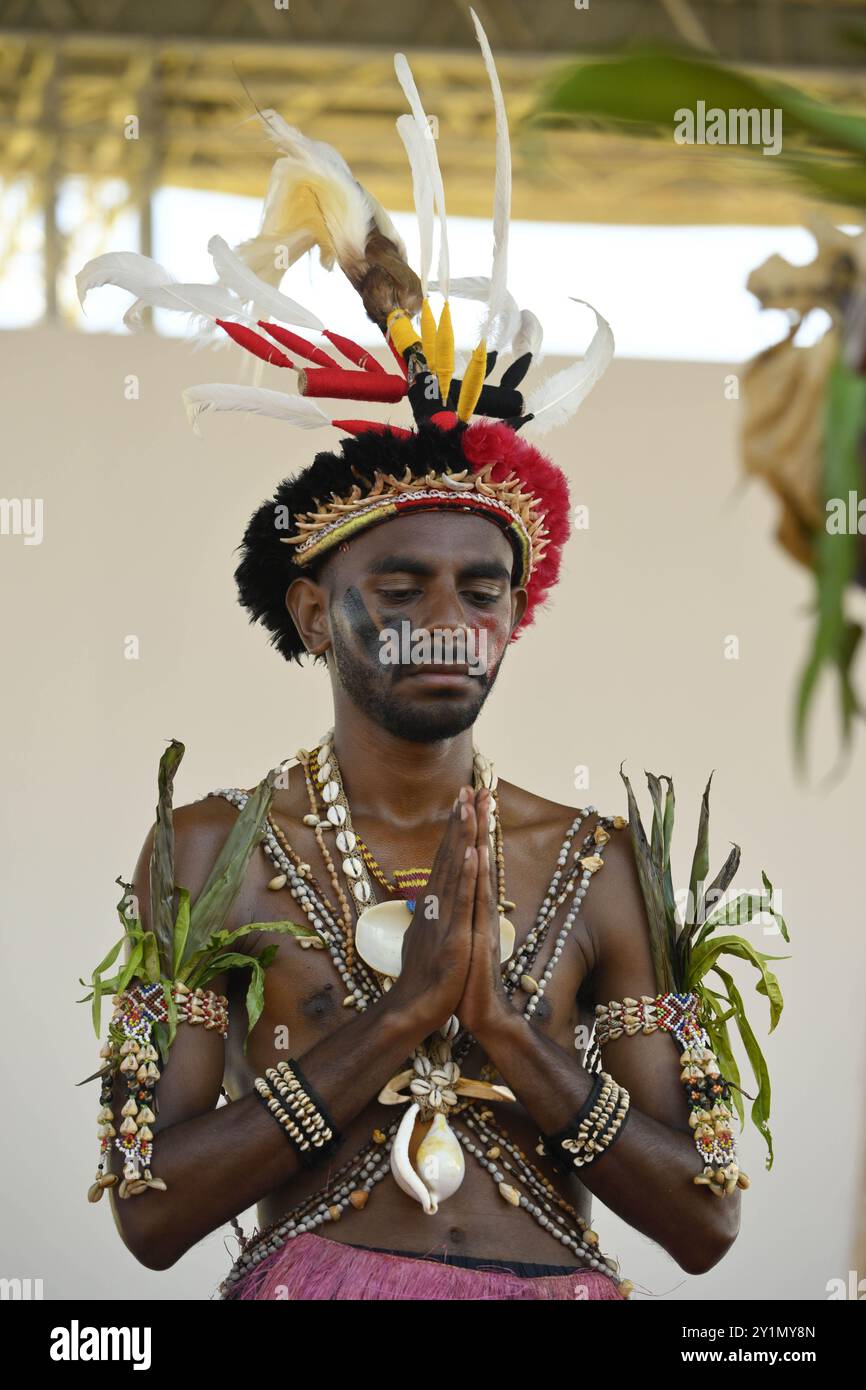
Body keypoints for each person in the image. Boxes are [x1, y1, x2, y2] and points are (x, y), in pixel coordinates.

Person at [80, 14, 752, 1301]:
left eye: (481, 587)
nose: (446, 613)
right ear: (315, 608)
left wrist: (507, 1033)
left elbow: (707, 1224)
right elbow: (150, 1215)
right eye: (398, 582)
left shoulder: (599, 865)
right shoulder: (209, 854)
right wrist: (392, 1024)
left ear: (511, 615)